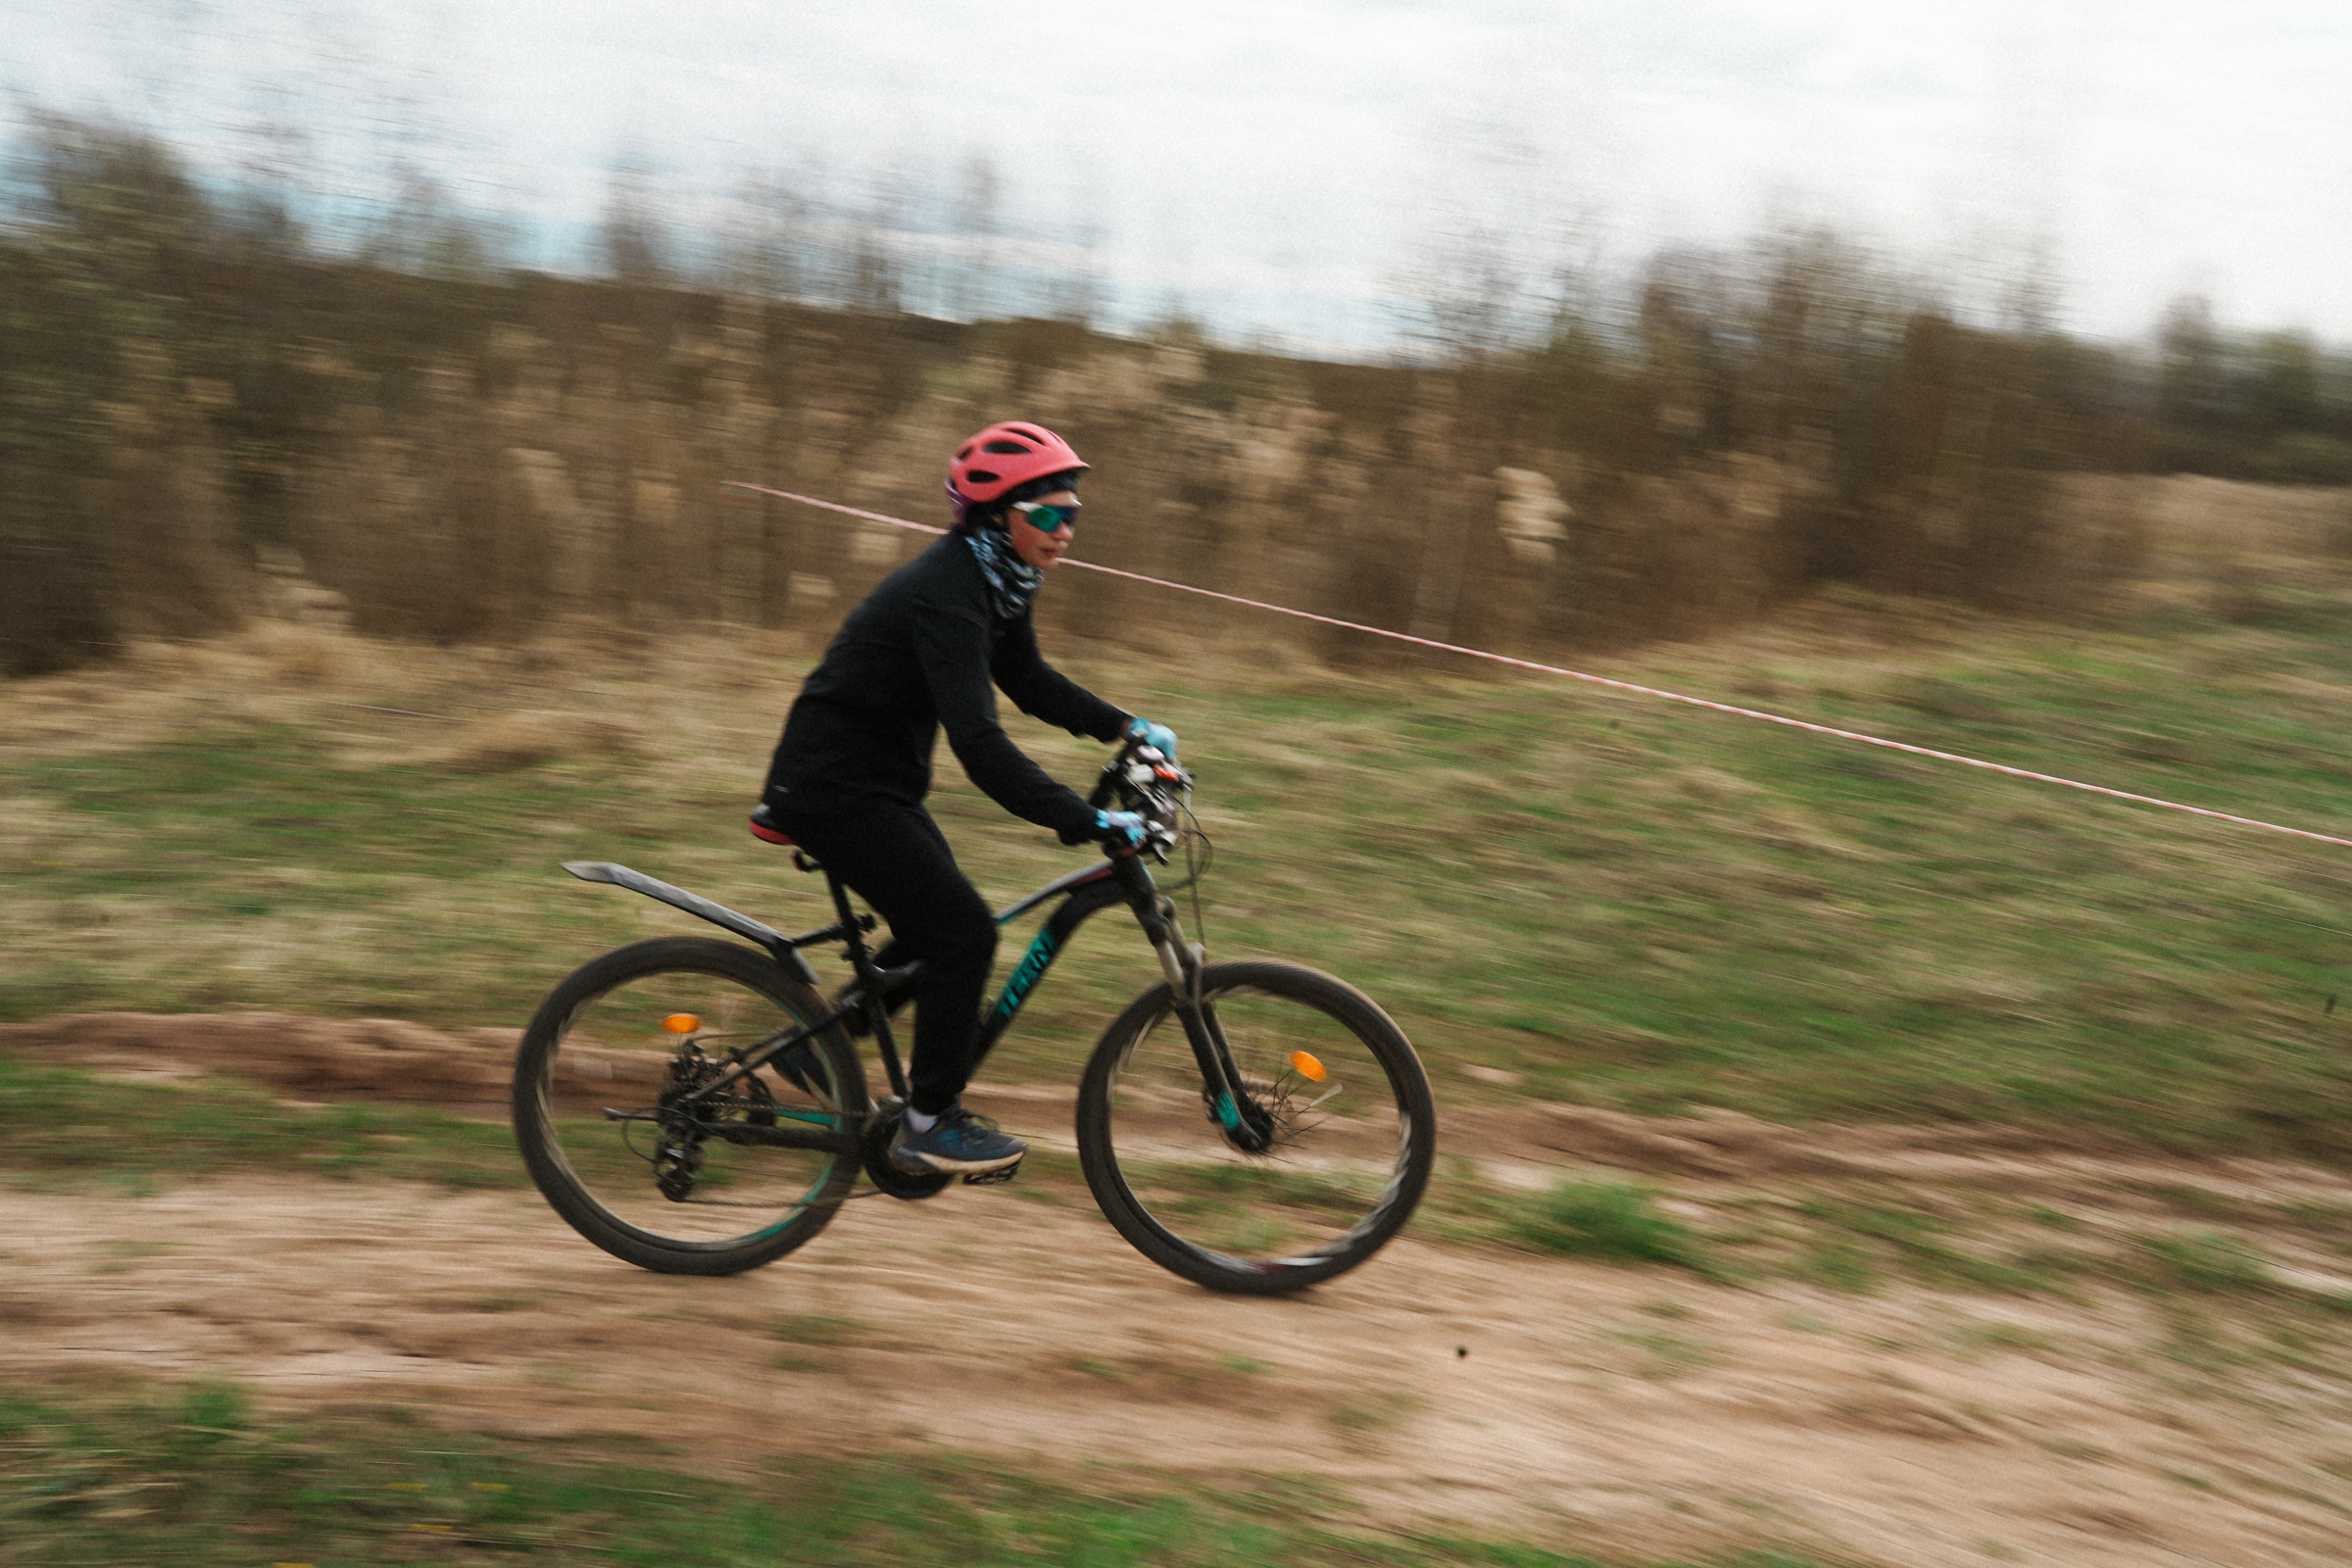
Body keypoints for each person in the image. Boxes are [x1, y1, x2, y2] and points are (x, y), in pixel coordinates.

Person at [755, 421, 1178, 1178]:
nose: (1066, 528)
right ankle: (927, 1123)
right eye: (1048, 514)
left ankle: (817, 1055)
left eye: (1073, 511)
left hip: (874, 783)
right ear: (1000, 515)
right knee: (966, 935)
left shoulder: (997, 579)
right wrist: (1082, 817)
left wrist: (1125, 726)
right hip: (833, 789)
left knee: (933, 926)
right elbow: (979, 747)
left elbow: (1029, 680)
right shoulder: (948, 594)